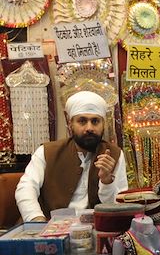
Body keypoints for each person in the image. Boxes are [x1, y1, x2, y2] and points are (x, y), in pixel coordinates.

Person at [15, 91, 128, 222]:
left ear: (103, 124)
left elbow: (118, 206)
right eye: (82, 121)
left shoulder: (114, 154)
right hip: (49, 227)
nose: (89, 128)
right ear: (70, 124)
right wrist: (36, 219)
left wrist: (107, 181)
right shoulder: (47, 152)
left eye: (95, 121)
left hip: (94, 228)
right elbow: (26, 188)